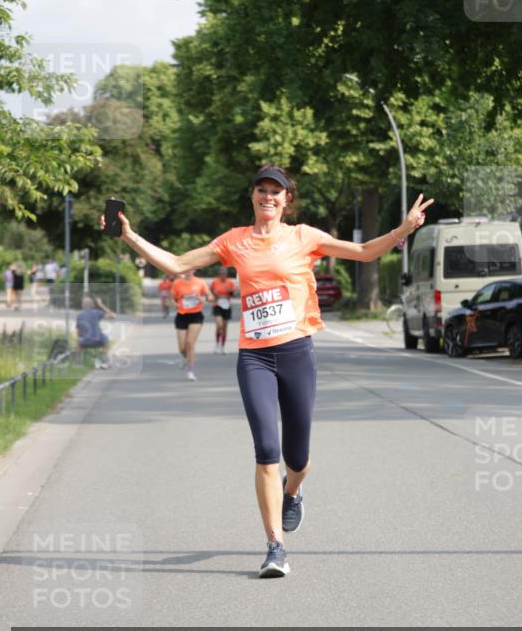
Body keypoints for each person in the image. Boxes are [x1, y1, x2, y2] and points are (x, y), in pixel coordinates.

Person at [101, 164, 432, 578]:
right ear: (253, 197)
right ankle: (276, 546)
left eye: (276, 191)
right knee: (266, 451)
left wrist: (403, 229)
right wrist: (128, 234)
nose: (268, 197)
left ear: (287, 199)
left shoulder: (304, 237)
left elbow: (364, 253)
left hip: (295, 351)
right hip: (254, 357)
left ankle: (293, 492)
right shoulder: (234, 241)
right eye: (262, 190)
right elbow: (175, 263)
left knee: (299, 458)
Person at [170, 270, 214, 381]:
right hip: (181, 315)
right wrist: (176, 304)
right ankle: (185, 357)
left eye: (190, 269)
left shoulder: (200, 282)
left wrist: (205, 298)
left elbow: (210, 297)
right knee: (182, 347)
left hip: (196, 316)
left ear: (194, 270)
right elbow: (171, 298)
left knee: (190, 343)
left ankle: (190, 371)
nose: (188, 271)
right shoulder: (177, 283)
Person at [76, 295, 115, 368]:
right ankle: (105, 358)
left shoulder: (79, 315)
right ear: (92, 305)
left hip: (84, 342)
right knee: (105, 337)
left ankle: (78, 362)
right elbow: (113, 316)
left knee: (79, 338)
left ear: (82, 305)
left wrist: (79, 341)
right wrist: (101, 305)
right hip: (97, 341)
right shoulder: (97, 313)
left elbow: (78, 332)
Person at [209, 266, 236, 353]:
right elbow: (211, 291)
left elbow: (234, 294)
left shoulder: (230, 282)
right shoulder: (215, 282)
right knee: (219, 325)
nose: (222, 275)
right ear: (219, 274)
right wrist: (214, 295)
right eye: (221, 273)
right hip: (218, 305)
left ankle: (222, 347)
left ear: (226, 274)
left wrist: (230, 292)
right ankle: (217, 344)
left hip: (227, 305)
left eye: (224, 273)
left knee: (224, 328)